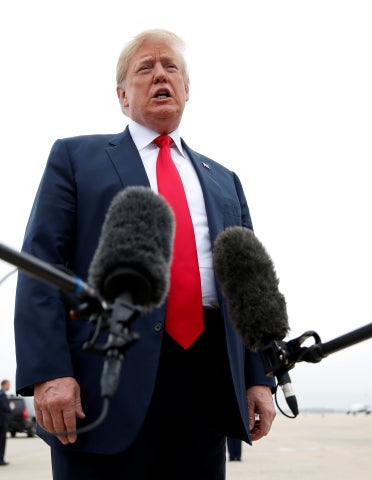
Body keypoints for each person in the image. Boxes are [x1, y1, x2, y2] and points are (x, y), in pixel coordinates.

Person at [14, 29, 276, 479]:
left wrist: (259, 376)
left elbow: (250, 287)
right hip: (104, 383)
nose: (161, 75)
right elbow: (41, 266)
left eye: (171, 67)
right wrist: (49, 371)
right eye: (145, 68)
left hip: (206, 384)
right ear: (122, 94)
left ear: (187, 90)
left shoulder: (224, 180)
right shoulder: (76, 158)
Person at [0, 379, 11, 466]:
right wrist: (11, 407)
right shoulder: (2, 395)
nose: (9, 386)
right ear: (4, 385)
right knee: (1, 441)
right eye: (8, 384)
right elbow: (5, 408)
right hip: (2, 421)